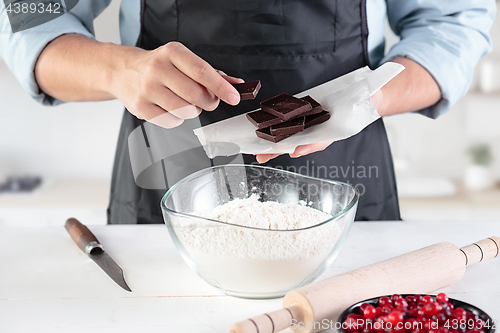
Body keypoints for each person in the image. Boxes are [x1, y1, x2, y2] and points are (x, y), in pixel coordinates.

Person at [0, 0, 495, 223]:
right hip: (169, 179)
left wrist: (369, 99)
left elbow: (454, 22)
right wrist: (115, 69)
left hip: (345, 179)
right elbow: (25, 17)